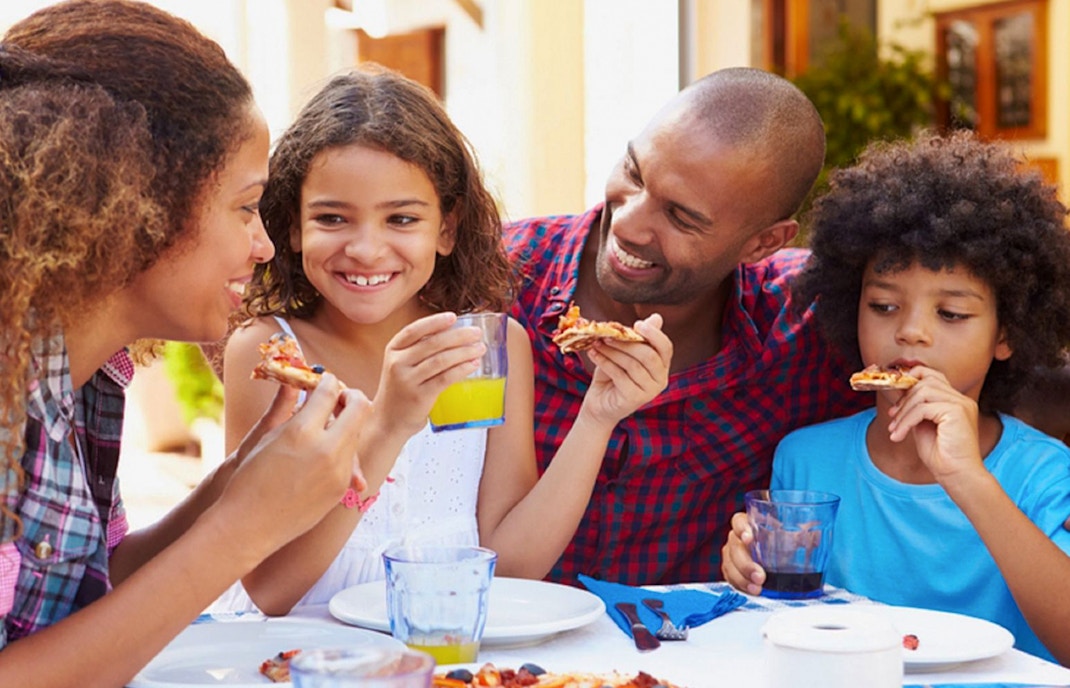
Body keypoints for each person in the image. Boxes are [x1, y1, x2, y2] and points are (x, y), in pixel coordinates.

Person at [0, 2, 371, 686]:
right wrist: (246, 530)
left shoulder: (86, 381)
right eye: (245, 207)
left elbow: (87, 594)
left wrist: (237, 484)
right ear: (134, 208)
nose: (264, 246)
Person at [219, 66, 672, 615]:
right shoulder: (273, 356)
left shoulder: (487, 349)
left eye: (401, 219)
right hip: (296, 651)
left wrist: (598, 417)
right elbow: (272, 589)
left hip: (442, 648)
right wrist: (387, 427)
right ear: (292, 226)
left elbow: (511, 565)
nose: (366, 249)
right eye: (333, 218)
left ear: (447, 228)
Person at [504, 67, 868, 586]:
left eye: (680, 217)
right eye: (633, 173)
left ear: (763, 243)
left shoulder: (809, 327)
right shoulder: (496, 279)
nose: (628, 223)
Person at [720, 130, 1070, 665]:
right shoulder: (806, 459)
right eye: (883, 306)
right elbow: (788, 624)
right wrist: (749, 575)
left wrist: (967, 478)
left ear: (1007, 334)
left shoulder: (1045, 473)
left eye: (951, 314)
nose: (910, 332)